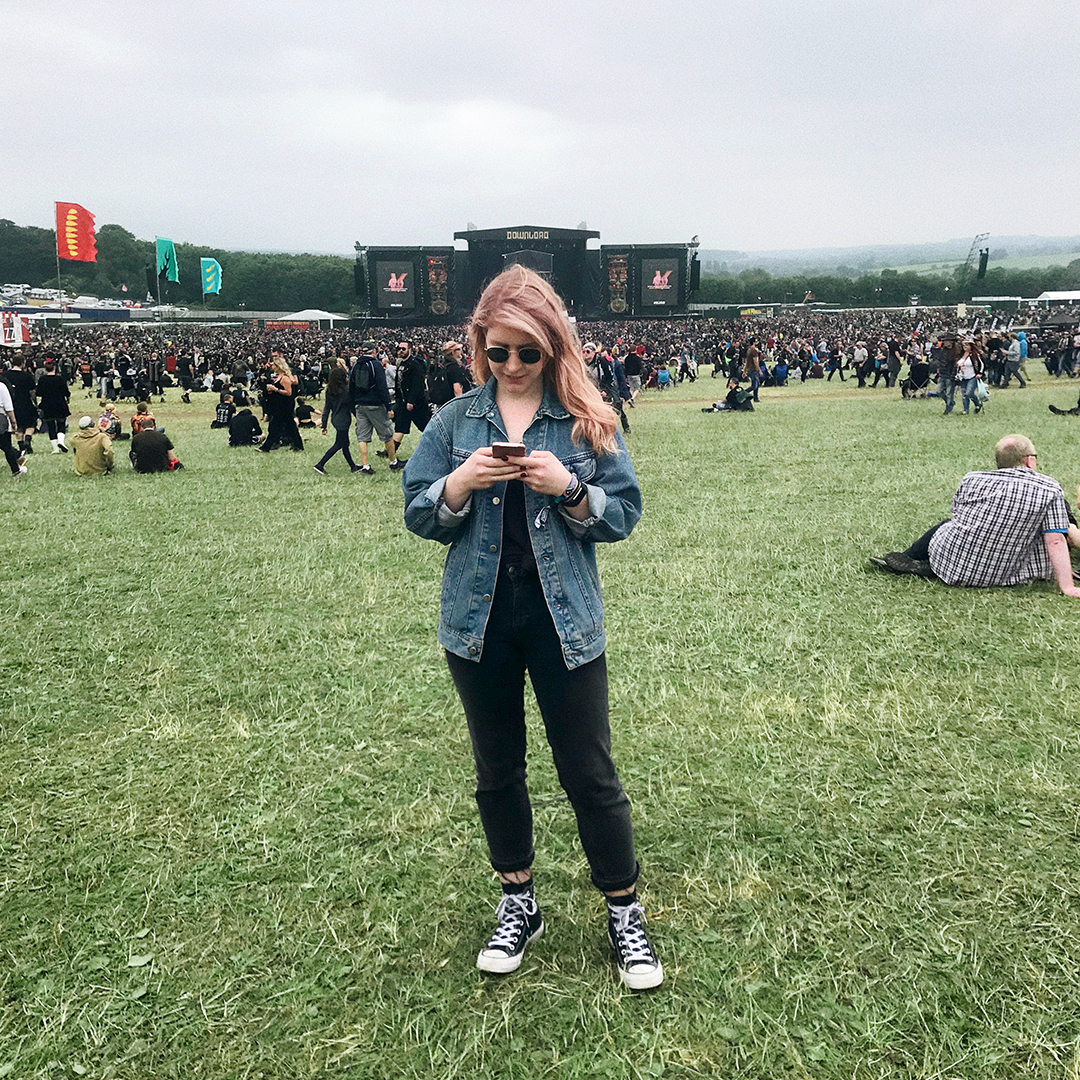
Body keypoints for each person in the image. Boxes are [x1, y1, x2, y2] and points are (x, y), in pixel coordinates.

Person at [402, 265, 661, 991]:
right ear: (479, 345)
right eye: (498, 351)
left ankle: (623, 908)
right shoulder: (455, 423)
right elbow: (418, 512)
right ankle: (519, 900)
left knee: (590, 771)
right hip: (478, 619)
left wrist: (569, 488)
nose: (512, 366)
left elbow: (626, 513)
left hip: (563, 617)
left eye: (528, 352)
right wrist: (457, 485)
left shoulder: (585, 422)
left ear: (553, 349)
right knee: (498, 769)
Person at [871, 434, 1080, 597]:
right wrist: (1067, 586)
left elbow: (958, 517)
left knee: (947, 524)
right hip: (1007, 574)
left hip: (953, 566)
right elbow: (1054, 541)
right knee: (1055, 529)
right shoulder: (1050, 489)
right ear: (1029, 461)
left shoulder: (971, 479)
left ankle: (910, 558)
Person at [351, 341, 404, 474]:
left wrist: (353, 405)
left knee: (362, 436)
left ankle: (365, 466)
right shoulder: (376, 365)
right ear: (374, 351)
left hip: (360, 405)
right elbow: (382, 387)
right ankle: (393, 462)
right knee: (387, 433)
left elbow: (350, 387)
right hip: (375, 405)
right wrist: (388, 406)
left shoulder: (356, 365)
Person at [314, 359, 361, 475]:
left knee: (345, 444)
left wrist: (324, 424)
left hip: (335, 418)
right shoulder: (346, 391)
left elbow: (326, 409)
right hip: (344, 419)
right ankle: (320, 464)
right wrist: (358, 418)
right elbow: (351, 407)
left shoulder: (330, 391)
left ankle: (352, 466)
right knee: (339, 444)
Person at [260, 349, 304, 452]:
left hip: (285, 406)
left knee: (276, 426)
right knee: (289, 426)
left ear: (279, 367)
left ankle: (266, 447)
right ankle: (298, 445)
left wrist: (276, 389)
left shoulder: (285, 378)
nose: (272, 367)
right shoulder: (279, 377)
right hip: (280, 405)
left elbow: (288, 392)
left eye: (274, 365)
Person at [391, 340, 430, 456]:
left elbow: (417, 384)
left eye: (403, 349)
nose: (401, 351)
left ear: (410, 350)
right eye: (399, 349)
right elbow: (398, 383)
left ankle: (436, 444)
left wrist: (411, 401)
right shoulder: (401, 364)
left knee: (425, 426)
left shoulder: (415, 364)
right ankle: (390, 451)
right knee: (400, 425)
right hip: (403, 401)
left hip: (416, 403)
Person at [36, 358, 70, 452]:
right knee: (61, 424)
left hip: (47, 405)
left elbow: (38, 392)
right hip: (60, 404)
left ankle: (55, 449)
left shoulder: (42, 380)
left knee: (51, 426)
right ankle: (61, 441)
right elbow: (66, 392)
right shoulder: (60, 379)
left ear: (46, 369)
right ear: (55, 367)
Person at [0, 377, 28, 478]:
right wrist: (13, 422)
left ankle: (18, 456)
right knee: (7, 446)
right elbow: (8, 407)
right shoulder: (2, 386)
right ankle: (16, 470)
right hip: (1, 418)